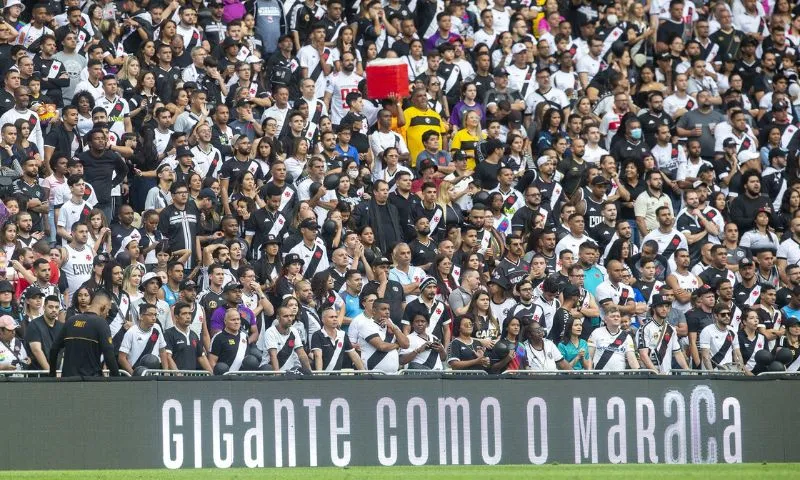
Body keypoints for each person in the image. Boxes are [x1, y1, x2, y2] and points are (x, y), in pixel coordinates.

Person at [48, 290, 121, 377]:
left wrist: (52, 373)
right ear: (104, 307)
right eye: (108, 310)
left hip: (68, 381)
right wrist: (117, 378)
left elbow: (54, 349)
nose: (108, 313)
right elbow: (109, 355)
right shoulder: (101, 323)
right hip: (91, 382)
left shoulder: (71, 321)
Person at [636, 294, 689, 373]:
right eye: (660, 306)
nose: (664, 309)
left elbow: (677, 352)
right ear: (653, 308)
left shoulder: (671, 329)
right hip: (650, 376)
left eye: (666, 306)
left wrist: (687, 370)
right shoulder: (644, 328)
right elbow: (643, 355)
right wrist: (656, 374)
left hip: (667, 375)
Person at [118, 302, 169, 374]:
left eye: (155, 315)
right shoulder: (131, 332)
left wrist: (166, 372)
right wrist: (134, 375)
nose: (154, 318)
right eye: (150, 315)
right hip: (137, 373)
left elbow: (162, 351)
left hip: (155, 374)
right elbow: (121, 358)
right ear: (141, 316)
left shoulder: (157, 328)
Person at [259, 305, 312, 372]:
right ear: (278, 317)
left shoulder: (294, 331)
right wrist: (277, 375)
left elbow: (301, 354)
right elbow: (273, 356)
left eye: (291, 316)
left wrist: (310, 373)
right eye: (285, 316)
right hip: (270, 370)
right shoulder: (270, 332)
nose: (290, 319)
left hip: (289, 370)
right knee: (268, 368)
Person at [310, 307, 364, 371]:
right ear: (323, 320)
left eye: (336, 317)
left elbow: (354, 355)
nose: (335, 319)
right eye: (331, 317)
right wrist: (320, 376)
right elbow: (318, 356)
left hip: (337, 377)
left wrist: (364, 373)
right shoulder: (317, 335)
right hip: (324, 376)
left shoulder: (343, 335)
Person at [164, 301, 212, 372]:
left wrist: (212, 375)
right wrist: (178, 374)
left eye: (189, 313)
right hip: (175, 379)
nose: (188, 316)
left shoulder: (194, 335)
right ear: (176, 317)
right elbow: (168, 357)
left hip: (191, 378)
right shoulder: (168, 334)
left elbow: (202, 357)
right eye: (184, 314)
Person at [588, 306, 639, 371]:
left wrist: (639, 372)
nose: (616, 318)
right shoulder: (596, 332)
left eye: (618, 316)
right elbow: (589, 356)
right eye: (612, 316)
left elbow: (632, 359)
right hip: (599, 376)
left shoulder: (627, 336)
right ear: (605, 319)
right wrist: (589, 373)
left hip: (619, 376)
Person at [699, 302, 745, 371]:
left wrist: (740, 370)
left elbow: (738, 354)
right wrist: (712, 374)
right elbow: (705, 356)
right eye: (723, 315)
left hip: (729, 371)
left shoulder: (732, 331)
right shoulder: (707, 331)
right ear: (716, 316)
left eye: (729, 314)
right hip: (712, 372)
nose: (727, 316)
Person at [24, 295, 62, 370]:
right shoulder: (34, 324)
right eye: (50, 307)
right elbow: (36, 350)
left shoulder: (61, 326)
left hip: (56, 373)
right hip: (37, 375)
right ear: (44, 308)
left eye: (57, 307)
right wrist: (51, 372)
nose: (54, 310)